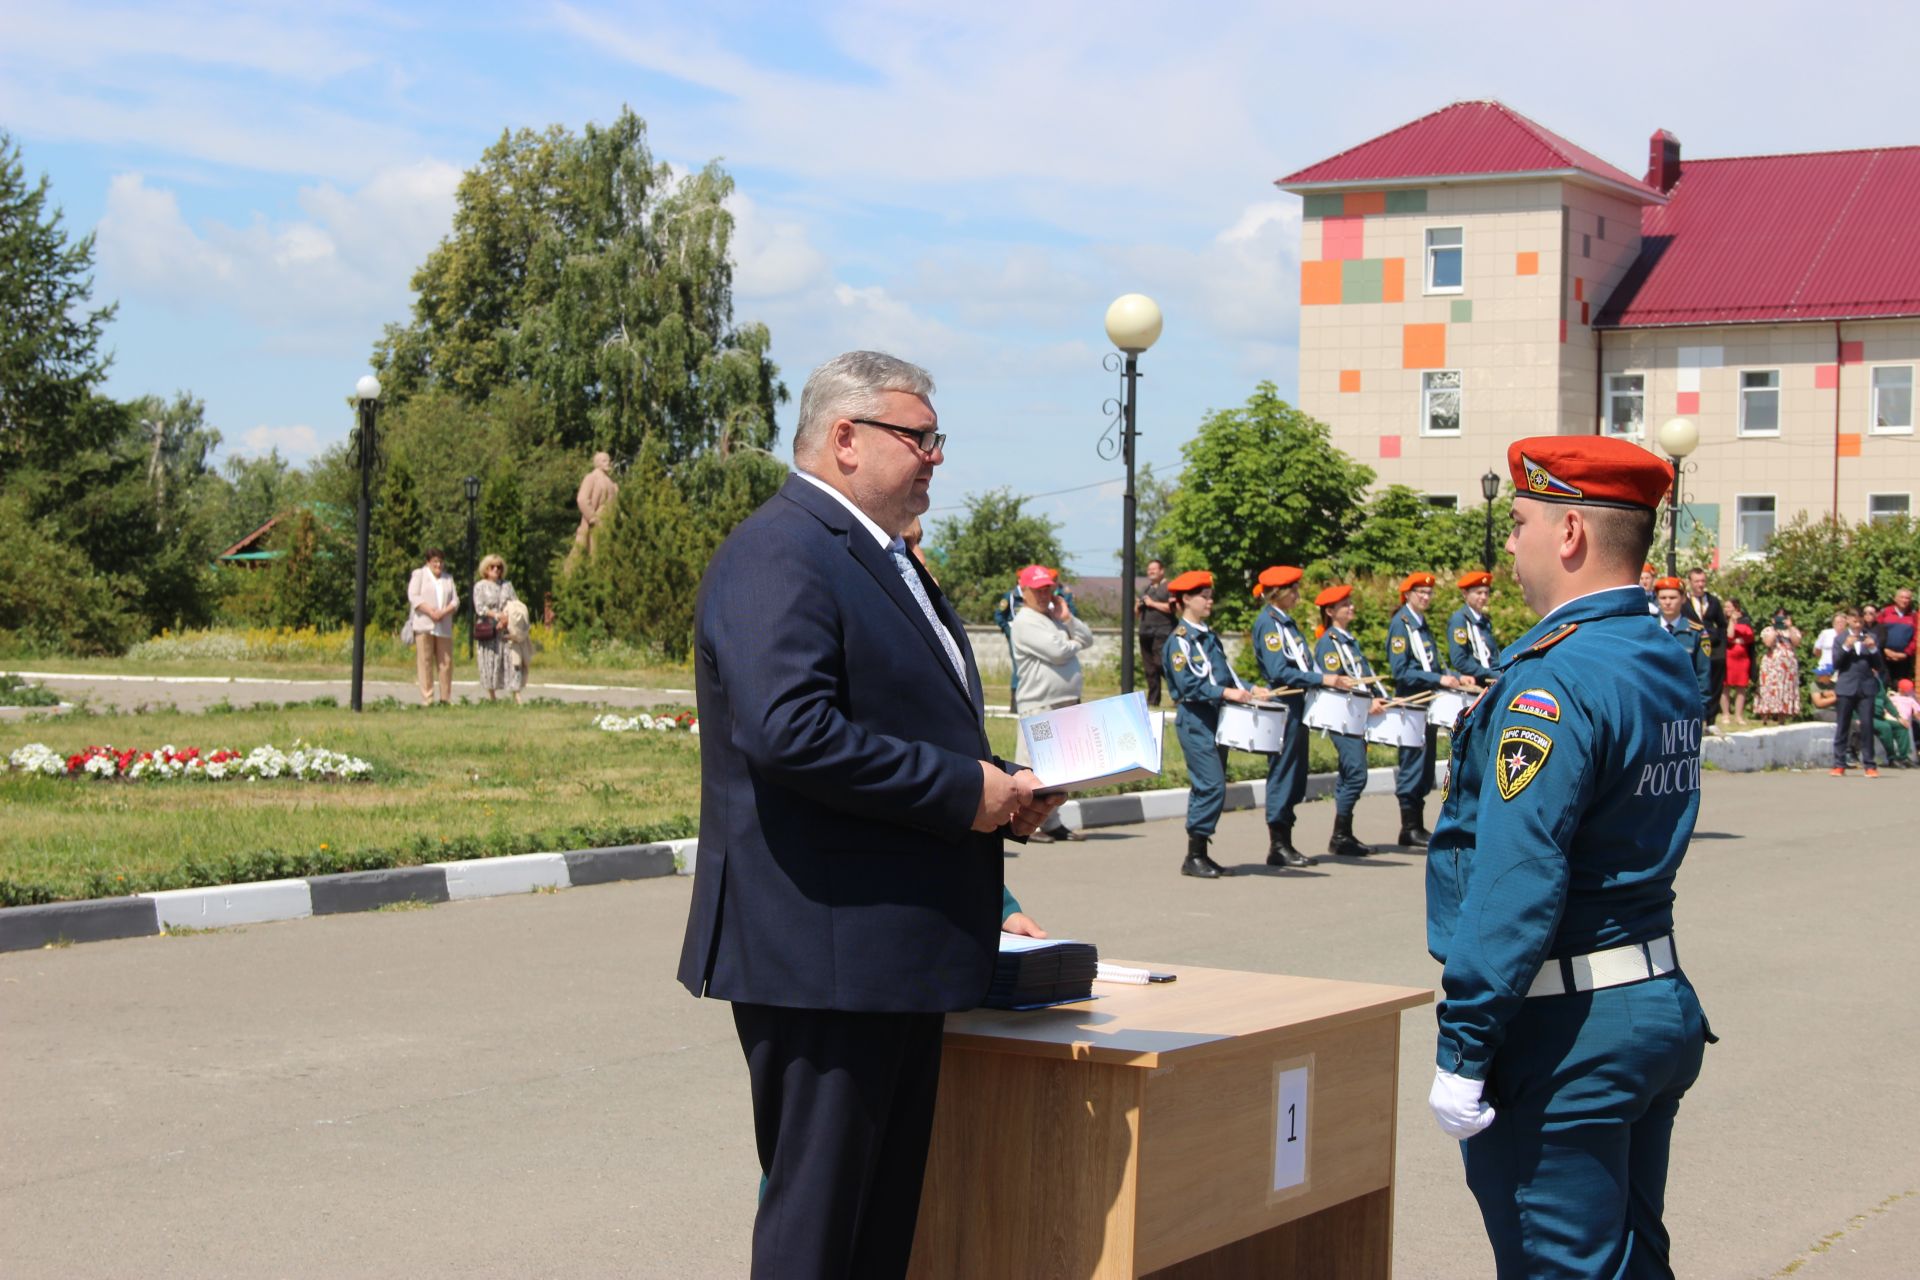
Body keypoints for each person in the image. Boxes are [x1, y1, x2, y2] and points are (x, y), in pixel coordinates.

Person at [675, 350, 1059, 1279]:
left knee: (878, 1232)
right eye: (918, 438)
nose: (935, 458)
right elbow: (789, 732)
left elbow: (894, 720)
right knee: (821, 1232)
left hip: (886, 954)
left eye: (937, 440)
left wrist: (1002, 786)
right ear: (845, 439)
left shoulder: (880, 557)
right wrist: (965, 793)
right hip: (824, 955)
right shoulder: (783, 548)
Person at [1426, 435, 1712, 1279]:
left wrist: (1466, 1043)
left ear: (1571, 534)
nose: (1508, 545)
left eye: (1519, 523)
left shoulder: (1552, 682)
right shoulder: (1658, 655)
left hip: (1564, 1030)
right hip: (1651, 999)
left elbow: (1519, 876)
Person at [1164, 569, 1276, 878]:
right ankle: (1194, 854)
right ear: (1186, 599)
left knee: (1212, 785)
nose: (1209, 600)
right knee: (1210, 783)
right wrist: (1228, 692)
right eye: (1204, 596)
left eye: (1210, 595)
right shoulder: (1180, 642)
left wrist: (1251, 688)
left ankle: (1200, 852)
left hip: (1218, 716)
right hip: (1196, 718)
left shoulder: (1208, 636)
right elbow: (1189, 685)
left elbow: (1225, 673)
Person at [1252, 564, 1353, 868]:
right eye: (1293, 590)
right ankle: (1278, 844)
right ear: (1278, 593)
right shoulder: (1269, 624)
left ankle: (1286, 840)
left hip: (1298, 704)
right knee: (1284, 773)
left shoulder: (1285, 623)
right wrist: (1322, 679)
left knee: (1296, 774)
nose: (1297, 595)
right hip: (1285, 704)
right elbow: (1278, 670)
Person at [1009, 563, 1093, 841]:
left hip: (1063, 703)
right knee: (1033, 767)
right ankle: (1025, 822)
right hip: (1040, 705)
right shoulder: (1024, 621)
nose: (1044, 594)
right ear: (1025, 592)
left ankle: (1052, 822)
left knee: (1058, 769)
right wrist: (1071, 644)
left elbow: (1087, 638)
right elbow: (1058, 652)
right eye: (1038, 589)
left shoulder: (1054, 618)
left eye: (1048, 589)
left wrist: (1068, 620)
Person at [1388, 571, 1470, 847]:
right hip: (1412, 702)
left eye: (1428, 593)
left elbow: (1431, 665)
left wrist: (1449, 676)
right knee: (1412, 763)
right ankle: (1408, 827)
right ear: (1408, 595)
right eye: (1420, 593)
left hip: (1428, 702)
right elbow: (1401, 671)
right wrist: (1439, 679)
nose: (1425, 597)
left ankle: (1416, 826)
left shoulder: (1420, 624)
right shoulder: (1401, 625)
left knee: (1424, 764)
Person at [1313, 585, 1391, 857]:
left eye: (1350, 603)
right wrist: (1367, 701)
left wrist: (1381, 697)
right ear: (1330, 612)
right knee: (1356, 773)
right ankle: (1340, 834)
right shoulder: (1329, 643)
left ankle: (1342, 834)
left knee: (1351, 773)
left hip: (1355, 715)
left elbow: (1362, 674)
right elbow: (1336, 682)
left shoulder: (1348, 640)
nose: (1351, 607)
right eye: (1344, 604)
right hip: (1342, 717)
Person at [1831, 609, 1886, 777]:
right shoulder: (1839, 639)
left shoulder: (1871, 637)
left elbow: (1879, 665)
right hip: (1846, 686)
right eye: (1854, 621)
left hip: (1866, 686)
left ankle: (1870, 764)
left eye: (1860, 622)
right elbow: (1836, 664)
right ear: (1848, 620)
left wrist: (1872, 649)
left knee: (1867, 725)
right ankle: (1839, 763)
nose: (1857, 625)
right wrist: (1846, 647)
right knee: (1843, 725)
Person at [406, 549, 459, 706]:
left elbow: (455, 601)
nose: (438, 564)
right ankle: (427, 698)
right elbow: (413, 596)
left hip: (443, 625)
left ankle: (445, 699)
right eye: (435, 561)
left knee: (446, 663)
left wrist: (443, 612)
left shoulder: (448, 578)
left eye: (441, 561)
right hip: (424, 624)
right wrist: (430, 611)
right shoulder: (419, 574)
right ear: (428, 562)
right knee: (425, 661)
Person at [1653, 577, 1713, 717]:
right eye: (1663, 598)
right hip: (1653, 705)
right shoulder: (1648, 629)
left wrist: (1701, 708)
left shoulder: (1696, 632)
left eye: (1673, 597)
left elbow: (1703, 673)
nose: (1667, 602)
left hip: (1684, 706)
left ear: (1683, 599)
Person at [471, 554, 524, 704]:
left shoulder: (507, 585)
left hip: (506, 629)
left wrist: (506, 617)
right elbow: (480, 607)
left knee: (512, 662)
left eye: (499, 567)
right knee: (489, 661)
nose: (496, 569)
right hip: (488, 627)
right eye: (492, 566)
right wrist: (496, 616)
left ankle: (516, 695)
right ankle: (492, 696)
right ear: (486, 569)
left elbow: (515, 603)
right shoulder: (480, 586)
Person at [1683, 569, 1727, 728]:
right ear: (1690, 582)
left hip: (1713, 648)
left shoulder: (1713, 601)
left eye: (1703, 581)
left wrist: (1720, 642)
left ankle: (1711, 719)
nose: (1700, 585)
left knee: (1714, 683)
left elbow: (1722, 624)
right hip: (1692, 646)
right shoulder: (1684, 601)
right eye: (1697, 581)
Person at [565, 450, 620, 573]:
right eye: (604, 460)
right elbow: (582, 499)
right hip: (596, 522)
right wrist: (592, 517)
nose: (608, 463)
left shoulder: (612, 483)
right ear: (597, 463)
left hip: (610, 522)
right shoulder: (591, 478)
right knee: (592, 554)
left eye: (608, 460)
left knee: (607, 554)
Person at [1447, 571, 1501, 688]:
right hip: (1474, 683)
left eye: (1486, 593)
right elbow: (1460, 660)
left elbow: (1492, 656)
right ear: (1465, 594)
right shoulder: (1460, 620)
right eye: (1479, 593)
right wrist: (1490, 673)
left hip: (1491, 683)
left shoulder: (1484, 621)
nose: (1483, 597)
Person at [1137, 558, 1175, 707]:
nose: (1151, 572)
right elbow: (1137, 613)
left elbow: (1172, 608)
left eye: (1154, 569)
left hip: (1163, 630)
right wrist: (1139, 605)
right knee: (1150, 669)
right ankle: (1153, 700)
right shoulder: (1146, 590)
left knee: (1161, 664)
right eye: (1149, 569)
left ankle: (1177, 696)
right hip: (1145, 631)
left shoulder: (1168, 587)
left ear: (1161, 571)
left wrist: (1152, 604)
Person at [1754, 611, 1802, 724]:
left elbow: (1797, 642)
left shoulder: (1792, 631)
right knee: (1768, 689)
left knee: (1785, 690)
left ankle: (1782, 718)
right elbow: (1768, 643)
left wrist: (1789, 628)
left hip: (1788, 667)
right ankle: (1765, 717)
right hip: (1772, 666)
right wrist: (1775, 629)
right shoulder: (1768, 630)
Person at [1721, 598, 1754, 725]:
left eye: (1729, 607)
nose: (1726, 609)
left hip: (1742, 659)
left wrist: (1740, 639)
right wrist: (1732, 622)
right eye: (1725, 607)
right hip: (1728, 657)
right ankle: (1725, 714)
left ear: (1736, 608)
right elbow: (1729, 636)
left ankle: (1739, 716)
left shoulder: (1745, 620)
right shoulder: (1723, 621)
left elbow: (1750, 638)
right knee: (1725, 686)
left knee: (1741, 687)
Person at [1877, 588, 1916, 686]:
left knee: (1900, 686)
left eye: (1907, 598)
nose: (1904, 600)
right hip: (1884, 656)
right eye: (1902, 597)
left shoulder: (1913, 616)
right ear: (1895, 599)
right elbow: (1876, 632)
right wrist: (1884, 650)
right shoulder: (1885, 612)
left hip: (1903, 659)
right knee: (1883, 684)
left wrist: (1906, 653)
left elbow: (1916, 638)